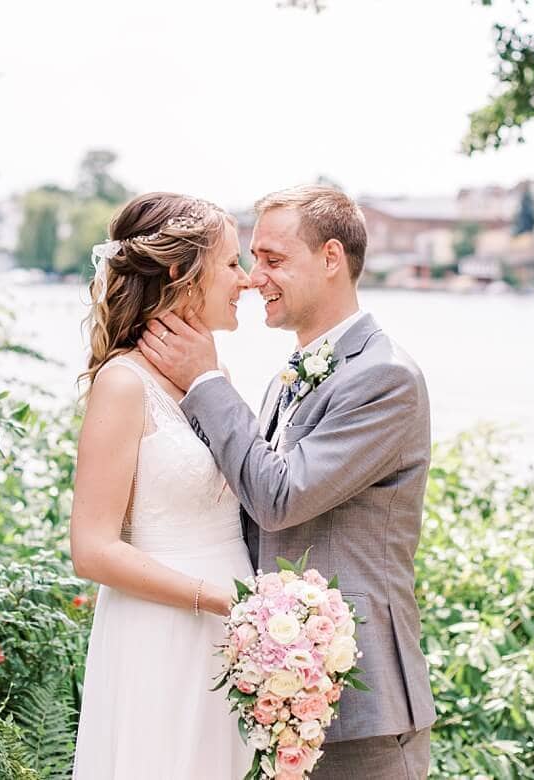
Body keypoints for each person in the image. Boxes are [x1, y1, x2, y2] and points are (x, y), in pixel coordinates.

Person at [139, 185, 436, 779]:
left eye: (273, 260)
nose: (253, 278)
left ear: (331, 258)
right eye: (250, 259)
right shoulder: (286, 378)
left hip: (364, 701)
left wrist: (204, 383)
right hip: (279, 690)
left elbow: (279, 498)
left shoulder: (385, 377)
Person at [70, 192, 253, 778]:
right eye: (231, 263)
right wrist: (224, 600)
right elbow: (91, 550)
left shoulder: (214, 376)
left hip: (237, 637)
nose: (246, 280)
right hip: (163, 633)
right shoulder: (124, 384)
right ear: (181, 272)